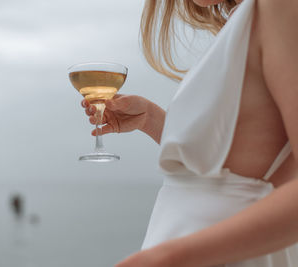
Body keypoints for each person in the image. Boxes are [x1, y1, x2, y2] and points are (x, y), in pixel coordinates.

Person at [82, 0, 298, 266]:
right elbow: (240, 161)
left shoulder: (281, 7)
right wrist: (151, 119)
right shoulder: (243, 21)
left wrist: (169, 257)